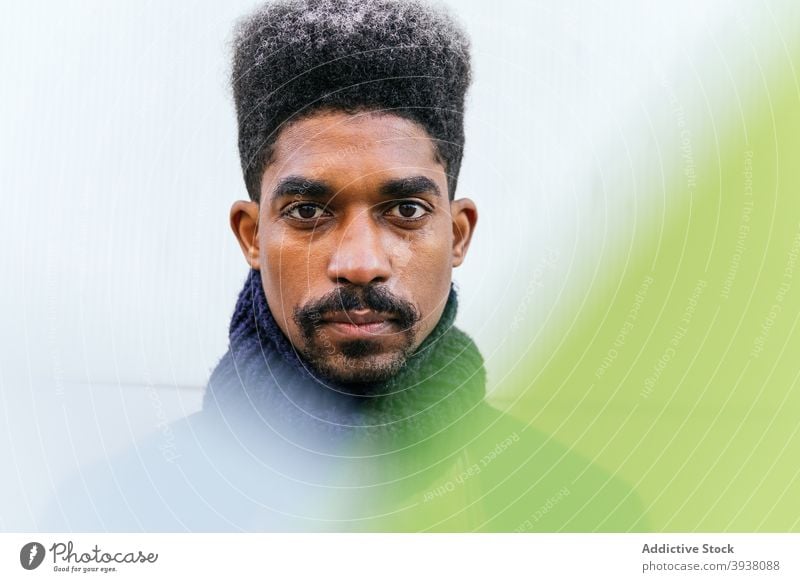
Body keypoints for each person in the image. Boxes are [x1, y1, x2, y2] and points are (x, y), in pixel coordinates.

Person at [42, 0, 648, 532]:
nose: (360, 263)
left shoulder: (590, 515)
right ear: (252, 236)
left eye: (406, 209)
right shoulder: (106, 517)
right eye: (308, 210)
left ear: (457, 234)